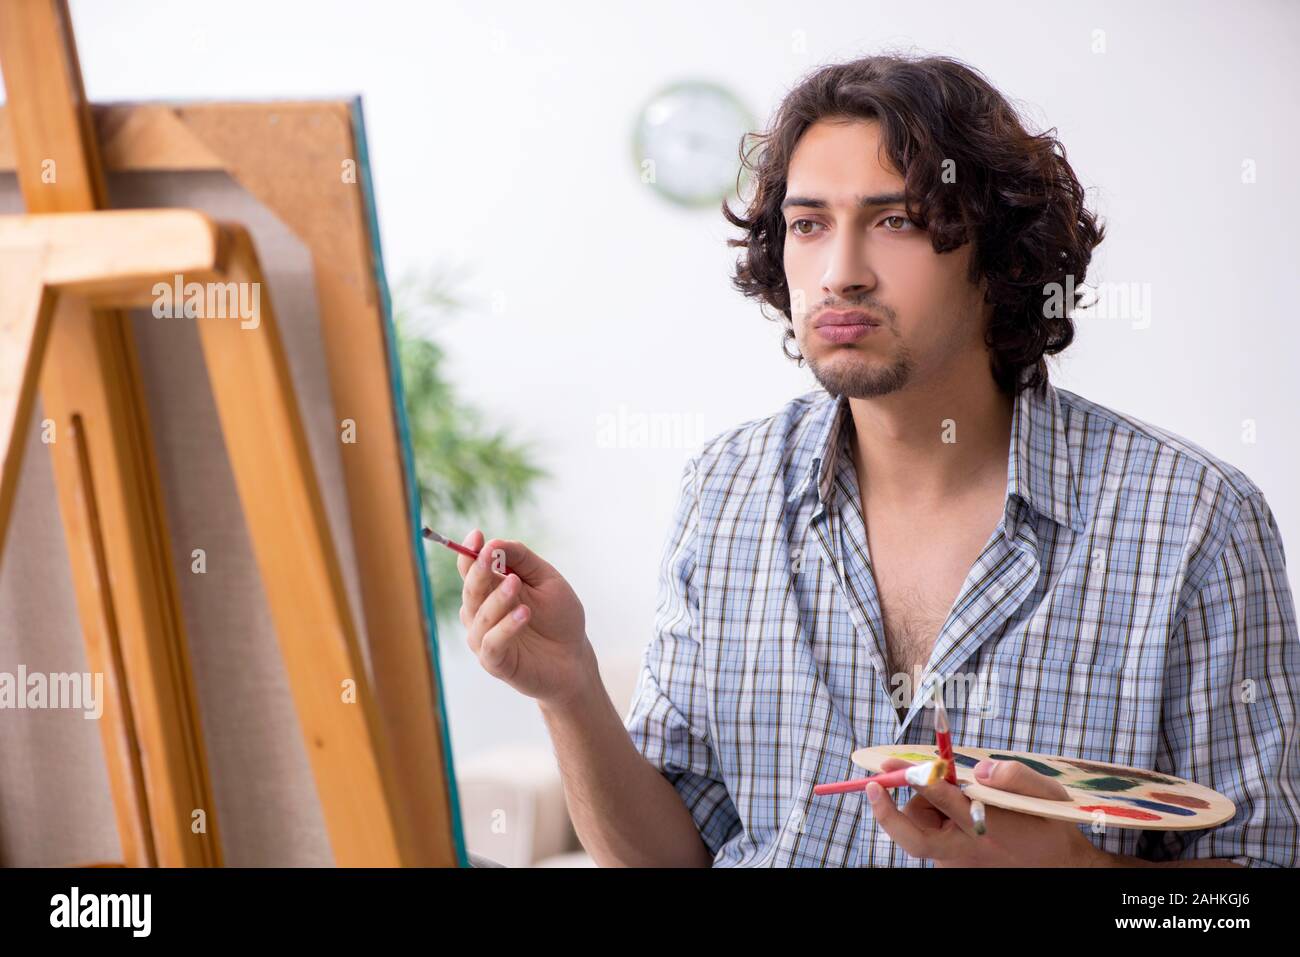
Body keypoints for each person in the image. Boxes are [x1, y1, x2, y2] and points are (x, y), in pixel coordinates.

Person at [455, 53, 1300, 867]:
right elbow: (672, 856)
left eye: (894, 221)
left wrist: (1077, 872)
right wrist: (569, 690)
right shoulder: (726, 490)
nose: (839, 272)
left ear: (998, 257)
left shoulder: (1194, 520)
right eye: (809, 224)